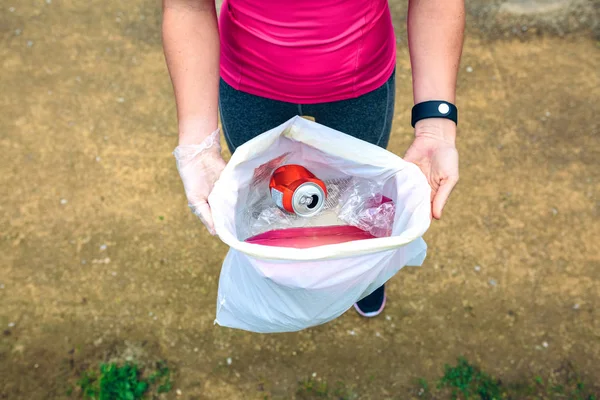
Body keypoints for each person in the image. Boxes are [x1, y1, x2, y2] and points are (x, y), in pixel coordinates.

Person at [163, 0, 464, 317]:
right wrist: (197, 145)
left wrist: (436, 124)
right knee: (269, 194)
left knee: (357, 194)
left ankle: (363, 274)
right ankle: (290, 274)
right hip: (249, 84)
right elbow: (188, 7)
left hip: (360, 82)